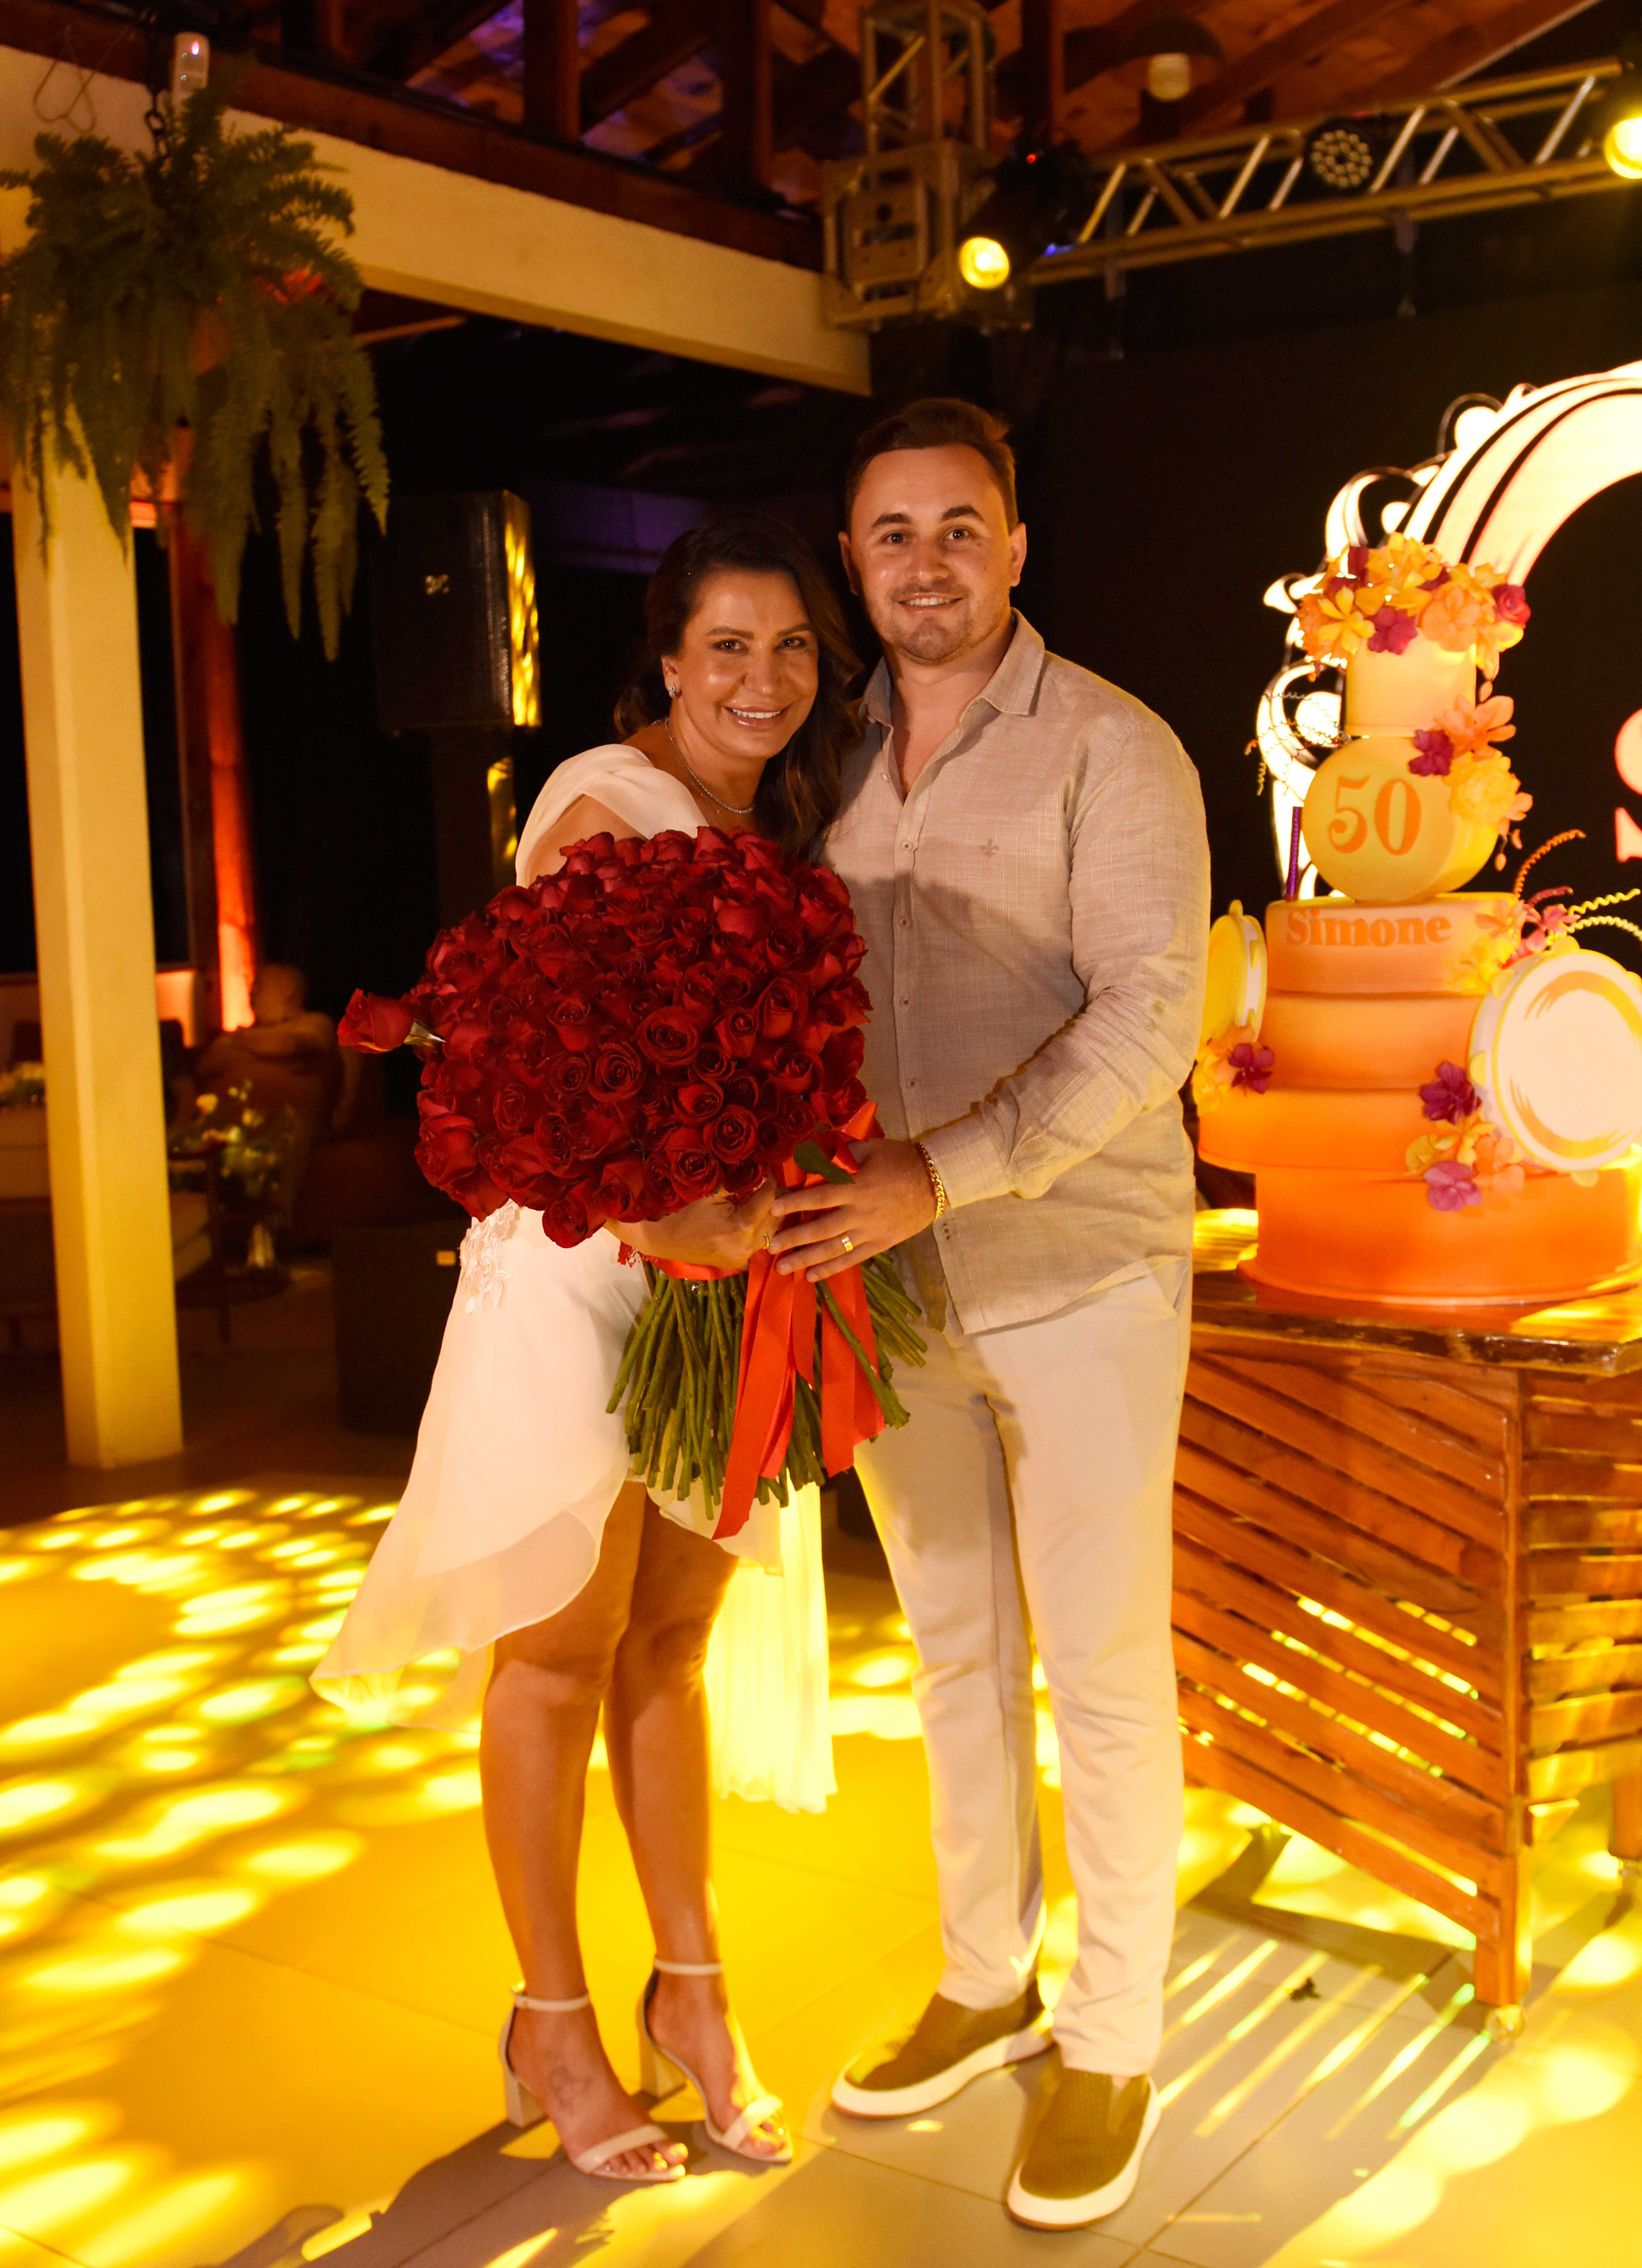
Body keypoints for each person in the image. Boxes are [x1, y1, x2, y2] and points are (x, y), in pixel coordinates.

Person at [316, 515, 861, 2185]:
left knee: (672, 1647)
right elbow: (523, 1061)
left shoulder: (786, 826)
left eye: (790, 646)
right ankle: (550, 2018)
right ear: (668, 659)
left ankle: (692, 1995)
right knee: (561, 1651)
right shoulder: (599, 800)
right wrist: (673, 1208)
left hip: (730, 1274)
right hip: (585, 1272)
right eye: (727, 645)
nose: (760, 677)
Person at [769, 399, 1209, 2231]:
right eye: (893, 533)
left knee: (1100, 1665)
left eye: (961, 527)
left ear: (1015, 548)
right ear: (853, 562)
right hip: (884, 1283)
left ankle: (1111, 2034)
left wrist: (940, 1173)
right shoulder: (825, 761)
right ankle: (984, 1974)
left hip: (1080, 1266)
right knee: (951, 1645)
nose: (928, 561)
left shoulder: (1113, 743)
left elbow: (1151, 1015)